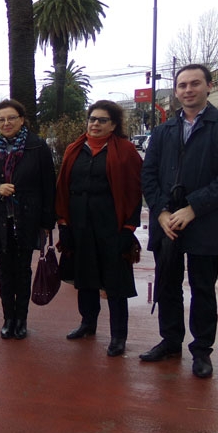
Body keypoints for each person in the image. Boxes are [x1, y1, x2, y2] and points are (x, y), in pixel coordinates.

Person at [141, 64, 218, 378]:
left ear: (209, 86)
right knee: (167, 285)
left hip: (204, 220)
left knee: (203, 288)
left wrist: (193, 208)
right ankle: (170, 341)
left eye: (195, 83)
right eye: (182, 85)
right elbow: (149, 175)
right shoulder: (162, 130)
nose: (187, 90)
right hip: (167, 220)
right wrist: (162, 212)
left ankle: (201, 351)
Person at [56, 100, 142, 357]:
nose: (95, 124)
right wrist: (64, 224)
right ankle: (88, 323)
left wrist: (128, 228)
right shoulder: (74, 149)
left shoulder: (126, 151)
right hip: (80, 226)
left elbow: (135, 192)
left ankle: (118, 336)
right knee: (85, 280)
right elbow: (63, 188)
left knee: (115, 284)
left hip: (112, 227)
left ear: (113, 125)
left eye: (102, 120)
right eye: (92, 119)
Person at [0, 99, 56, 340]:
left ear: (22, 119)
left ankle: (21, 319)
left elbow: (49, 187)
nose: (6, 123)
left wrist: (47, 223)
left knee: (23, 271)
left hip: (27, 219)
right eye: (1, 120)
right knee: (4, 272)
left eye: (11, 118)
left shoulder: (37, 147)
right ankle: (8, 318)